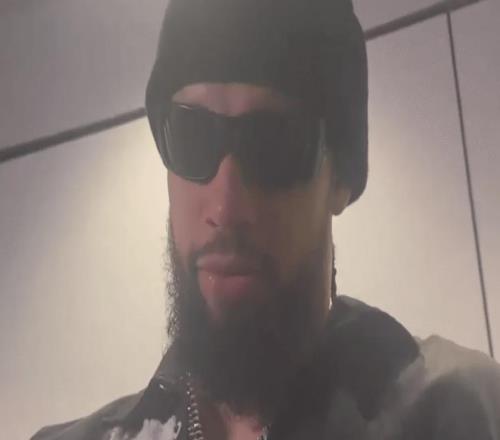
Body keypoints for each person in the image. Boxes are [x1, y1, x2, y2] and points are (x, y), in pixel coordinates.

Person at [32, 0, 500, 439]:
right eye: (193, 135)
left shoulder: (462, 414)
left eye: (273, 143)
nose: (225, 208)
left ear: (339, 178)